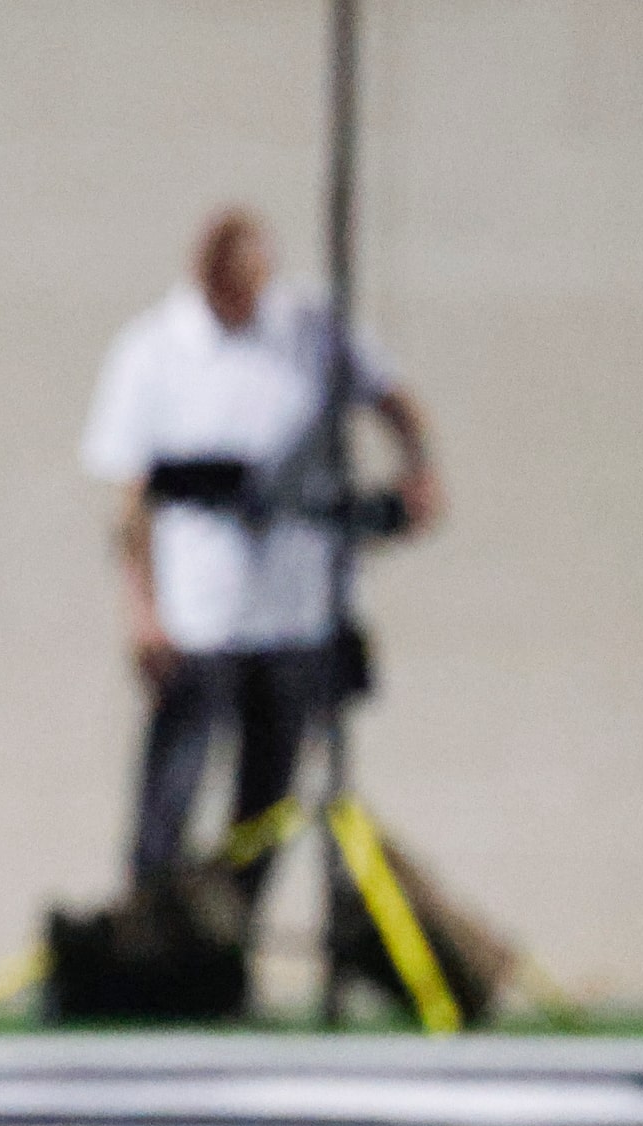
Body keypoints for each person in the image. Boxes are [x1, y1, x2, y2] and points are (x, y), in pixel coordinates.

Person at [81, 208, 441, 900]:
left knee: (268, 798)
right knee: (174, 791)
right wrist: (143, 612)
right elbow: (128, 498)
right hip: (199, 612)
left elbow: (393, 397)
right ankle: (151, 942)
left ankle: (230, 947)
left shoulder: (308, 331)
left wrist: (419, 469)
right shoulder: (156, 348)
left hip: (294, 609)